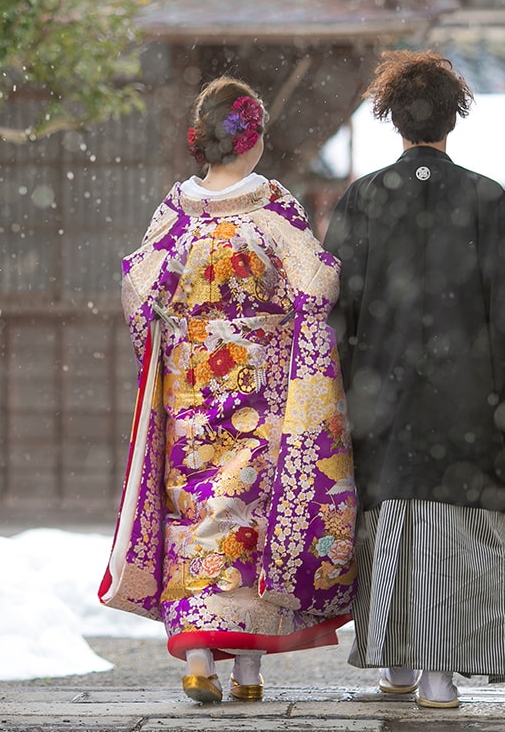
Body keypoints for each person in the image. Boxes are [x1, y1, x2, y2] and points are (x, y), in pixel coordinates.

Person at [322, 51, 505, 709]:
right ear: (452, 120)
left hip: (385, 398)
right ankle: (439, 676)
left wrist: (343, 391)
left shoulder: (364, 198)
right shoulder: (485, 198)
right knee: (456, 531)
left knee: (391, 520)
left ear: (393, 121)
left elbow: (332, 311)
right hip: (468, 403)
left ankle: (399, 669)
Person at [99, 76, 359, 704]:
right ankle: (247, 671)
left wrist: (181, 333)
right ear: (254, 141)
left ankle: (196, 660)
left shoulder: (175, 213)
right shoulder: (271, 209)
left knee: (194, 513)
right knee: (248, 517)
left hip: (190, 388)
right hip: (260, 391)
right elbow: (319, 283)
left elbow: (139, 289)